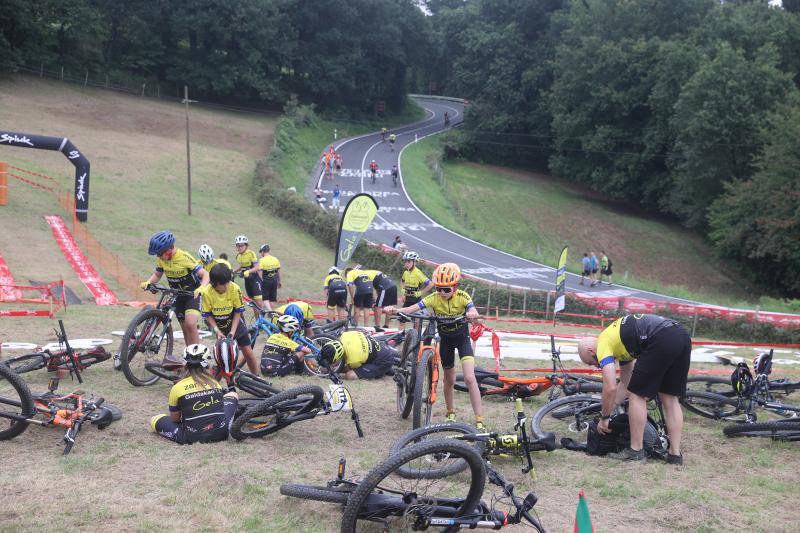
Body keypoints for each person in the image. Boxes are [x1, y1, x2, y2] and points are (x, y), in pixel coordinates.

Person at [577, 314, 690, 464]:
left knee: (636, 396)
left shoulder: (603, 342)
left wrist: (604, 418)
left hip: (660, 336)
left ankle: (635, 451)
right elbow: (624, 383)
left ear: (591, 351)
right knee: (669, 399)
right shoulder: (621, 343)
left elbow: (610, 387)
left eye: (592, 362)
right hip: (680, 335)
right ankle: (674, 455)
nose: (596, 366)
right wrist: (611, 407)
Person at [385, 263, 484, 430]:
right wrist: (394, 310)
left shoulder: (463, 297)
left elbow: (477, 317)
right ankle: (450, 412)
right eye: (439, 288)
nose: (442, 293)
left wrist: (473, 315)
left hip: (462, 339)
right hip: (445, 340)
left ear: (456, 286)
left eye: (447, 289)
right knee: (449, 379)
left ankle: (480, 419)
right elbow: (411, 308)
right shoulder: (434, 298)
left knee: (469, 378)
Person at [139, 231, 209, 366]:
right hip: (177, 295)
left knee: (190, 324)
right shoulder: (161, 258)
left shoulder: (184, 257)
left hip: (192, 295)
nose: (159, 257)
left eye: (160, 253)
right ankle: (191, 358)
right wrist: (149, 282)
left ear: (170, 249)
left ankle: (199, 358)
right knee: (184, 329)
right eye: (158, 254)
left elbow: (205, 274)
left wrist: (202, 288)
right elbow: (157, 274)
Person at [150, 343, 238, 445]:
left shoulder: (177, 387)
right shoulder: (214, 383)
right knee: (233, 395)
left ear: (185, 364)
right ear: (207, 364)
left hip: (191, 438)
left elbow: (175, 419)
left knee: (154, 419)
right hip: (222, 434)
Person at [200, 264, 259, 374]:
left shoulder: (234, 288)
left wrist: (232, 331)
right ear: (215, 284)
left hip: (235, 323)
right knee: (223, 358)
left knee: (248, 353)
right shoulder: (207, 293)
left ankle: (257, 378)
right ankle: (218, 384)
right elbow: (208, 316)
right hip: (218, 325)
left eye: (228, 282)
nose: (227, 287)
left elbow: (238, 311)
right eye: (223, 284)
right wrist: (217, 331)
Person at [319, 331, 397, 380]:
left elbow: (345, 369)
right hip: (378, 349)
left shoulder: (353, 360)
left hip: (383, 361)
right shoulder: (345, 335)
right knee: (362, 359)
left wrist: (331, 369)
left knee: (350, 375)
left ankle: (382, 371)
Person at [234, 235, 262, 319]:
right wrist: (234, 271)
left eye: (242, 245)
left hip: (255, 279)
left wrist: (248, 271)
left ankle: (263, 322)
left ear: (246, 245)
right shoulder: (238, 256)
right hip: (247, 281)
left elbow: (257, 267)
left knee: (259, 303)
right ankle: (258, 323)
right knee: (253, 303)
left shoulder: (251, 253)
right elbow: (242, 266)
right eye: (238, 245)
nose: (240, 247)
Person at [256, 244, 281, 310]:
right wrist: (279, 281)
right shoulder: (275, 259)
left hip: (266, 281)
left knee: (265, 298)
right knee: (272, 298)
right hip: (274, 280)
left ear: (263, 251)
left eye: (261, 252)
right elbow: (278, 272)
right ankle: (270, 312)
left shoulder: (262, 260)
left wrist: (260, 281)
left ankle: (270, 311)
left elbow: (260, 273)